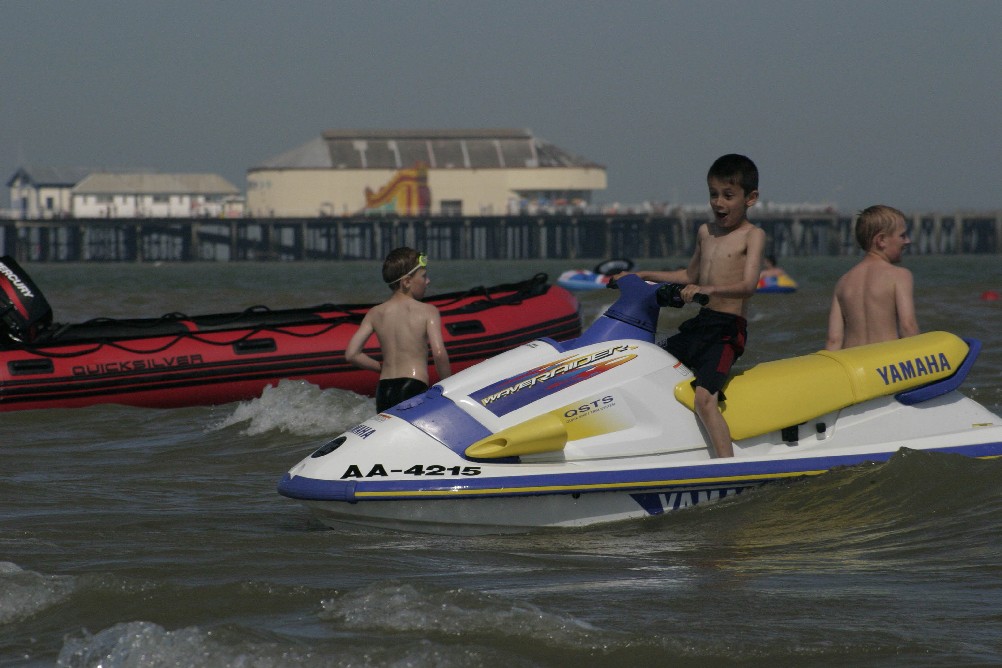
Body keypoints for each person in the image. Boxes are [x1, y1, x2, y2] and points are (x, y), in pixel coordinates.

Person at [620, 154, 765, 458]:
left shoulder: (753, 236)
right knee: (650, 362)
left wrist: (709, 289)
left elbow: (748, 286)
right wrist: (642, 275)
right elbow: (689, 276)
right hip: (700, 323)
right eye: (713, 194)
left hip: (726, 331)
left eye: (728, 195)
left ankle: (728, 469)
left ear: (750, 198)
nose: (718, 203)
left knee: (704, 400)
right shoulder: (705, 232)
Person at [346, 247, 451, 412]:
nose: (428, 281)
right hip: (412, 385)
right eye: (423, 276)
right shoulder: (428, 311)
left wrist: (381, 367)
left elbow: (352, 354)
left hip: (383, 390)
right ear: (407, 282)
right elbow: (438, 353)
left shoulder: (375, 313)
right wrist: (449, 388)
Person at [825, 205, 919, 350]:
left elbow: (833, 340)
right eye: (902, 235)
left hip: (854, 365)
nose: (907, 241)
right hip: (885, 364)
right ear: (881, 240)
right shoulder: (899, 275)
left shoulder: (843, 282)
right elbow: (908, 326)